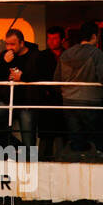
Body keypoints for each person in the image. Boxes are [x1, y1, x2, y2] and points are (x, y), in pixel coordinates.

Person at [54, 21, 103, 156]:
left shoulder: (66, 54)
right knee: (97, 140)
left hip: (69, 102)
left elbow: (56, 80)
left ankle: (77, 163)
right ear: (94, 36)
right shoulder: (96, 53)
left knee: (76, 141)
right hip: (91, 102)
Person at [0, 29, 40, 149]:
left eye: (12, 44)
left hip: (27, 103)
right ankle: (17, 146)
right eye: (7, 44)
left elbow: (40, 76)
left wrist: (22, 77)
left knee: (29, 140)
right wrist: (4, 62)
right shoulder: (5, 55)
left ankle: (30, 159)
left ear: (22, 43)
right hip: (8, 102)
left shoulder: (35, 56)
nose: (9, 47)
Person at [35, 26, 66, 154]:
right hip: (46, 101)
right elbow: (37, 76)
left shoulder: (68, 55)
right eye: (49, 38)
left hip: (64, 100)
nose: (51, 41)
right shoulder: (42, 56)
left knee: (62, 135)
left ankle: (62, 162)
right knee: (46, 137)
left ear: (62, 40)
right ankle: (42, 163)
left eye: (54, 38)